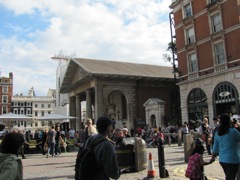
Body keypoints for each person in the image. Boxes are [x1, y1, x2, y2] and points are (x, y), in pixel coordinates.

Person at [211, 114, 240, 180]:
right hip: (233, 159)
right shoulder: (233, 131)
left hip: (222, 159)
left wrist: (212, 157)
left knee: (229, 176)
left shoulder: (217, 133)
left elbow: (215, 148)